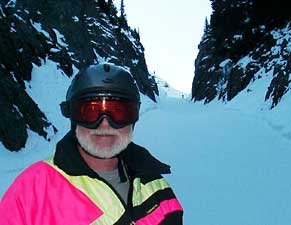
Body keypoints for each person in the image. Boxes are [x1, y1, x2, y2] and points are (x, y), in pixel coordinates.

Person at [0, 63, 183, 225]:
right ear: (72, 117)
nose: (105, 124)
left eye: (119, 112)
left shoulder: (157, 186)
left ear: (133, 119)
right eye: (90, 112)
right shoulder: (32, 191)